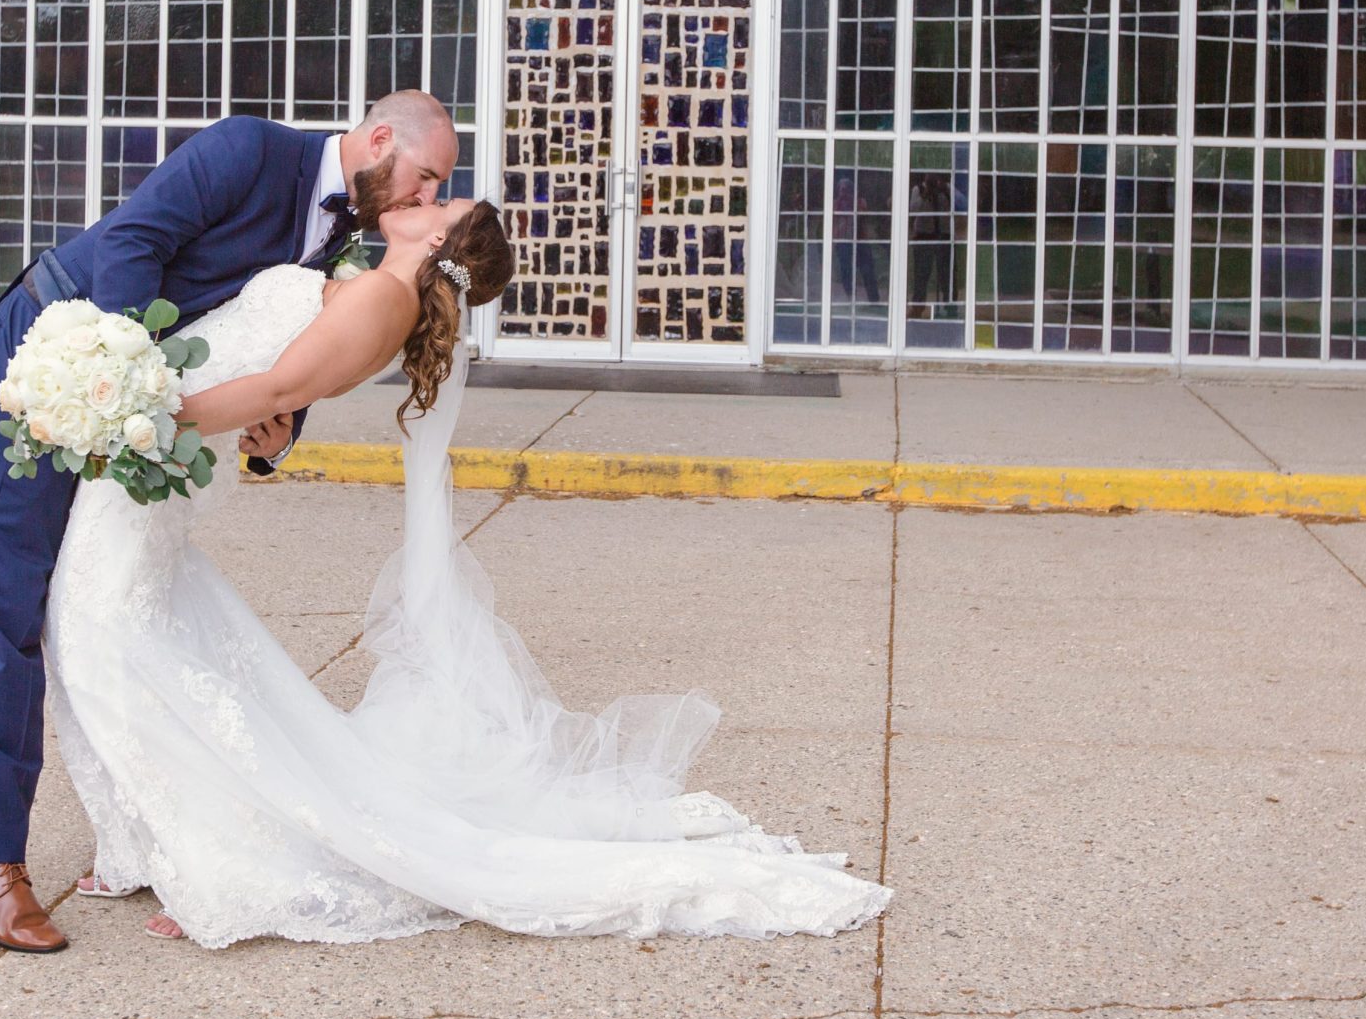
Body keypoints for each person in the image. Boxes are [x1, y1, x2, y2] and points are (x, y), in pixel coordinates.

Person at [43, 197, 892, 947]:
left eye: (439, 198)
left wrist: (133, 409)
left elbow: (283, 378)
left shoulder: (383, 294)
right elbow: (279, 380)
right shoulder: (374, 281)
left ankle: (213, 856)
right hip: (159, 449)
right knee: (118, 633)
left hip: (154, 438)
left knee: (96, 633)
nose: (423, 195)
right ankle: (139, 841)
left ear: (442, 236)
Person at [0, 94, 461, 954]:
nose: (424, 196)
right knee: (9, 592)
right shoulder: (247, 149)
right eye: (425, 175)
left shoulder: (347, 232)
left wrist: (279, 432)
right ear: (377, 140)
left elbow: (285, 349)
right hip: (57, 345)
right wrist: (121, 381)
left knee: (90, 598)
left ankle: (123, 828)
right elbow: (133, 242)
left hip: (140, 405)